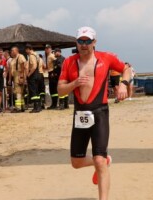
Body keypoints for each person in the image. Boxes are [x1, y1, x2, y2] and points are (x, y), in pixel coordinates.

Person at [58, 26, 131, 200]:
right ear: (76, 42)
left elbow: (126, 68)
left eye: (88, 41)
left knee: (99, 160)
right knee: (76, 163)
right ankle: (105, 161)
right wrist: (74, 83)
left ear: (94, 42)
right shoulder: (69, 62)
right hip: (80, 115)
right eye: (81, 41)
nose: (84, 45)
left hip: (100, 113)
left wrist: (123, 84)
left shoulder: (106, 58)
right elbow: (60, 90)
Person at [25, 44, 43, 113]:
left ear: (28, 49)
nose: (26, 52)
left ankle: (36, 107)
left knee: (33, 91)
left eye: (26, 50)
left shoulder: (32, 56)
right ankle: (39, 107)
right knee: (37, 91)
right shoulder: (37, 55)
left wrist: (29, 74)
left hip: (33, 75)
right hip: (38, 74)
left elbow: (34, 66)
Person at [10, 45, 28, 112]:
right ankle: (22, 106)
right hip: (15, 75)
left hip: (19, 74)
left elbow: (23, 66)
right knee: (20, 91)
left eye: (12, 50)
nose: (11, 52)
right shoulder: (13, 58)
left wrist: (21, 76)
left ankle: (18, 107)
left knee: (18, 91)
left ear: (16, 51)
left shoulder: (20, 56)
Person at [44, 45, 59, 109]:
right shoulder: (47, 56)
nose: (47, 50)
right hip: (49, 72)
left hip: (52, 73)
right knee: (51, 89)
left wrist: (54, 72)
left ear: (50, 49)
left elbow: (57, 63)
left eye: (48, 48)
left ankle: (55, 104)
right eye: (46, 48)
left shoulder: (52, 56)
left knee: (54, 89)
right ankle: (53, 104)